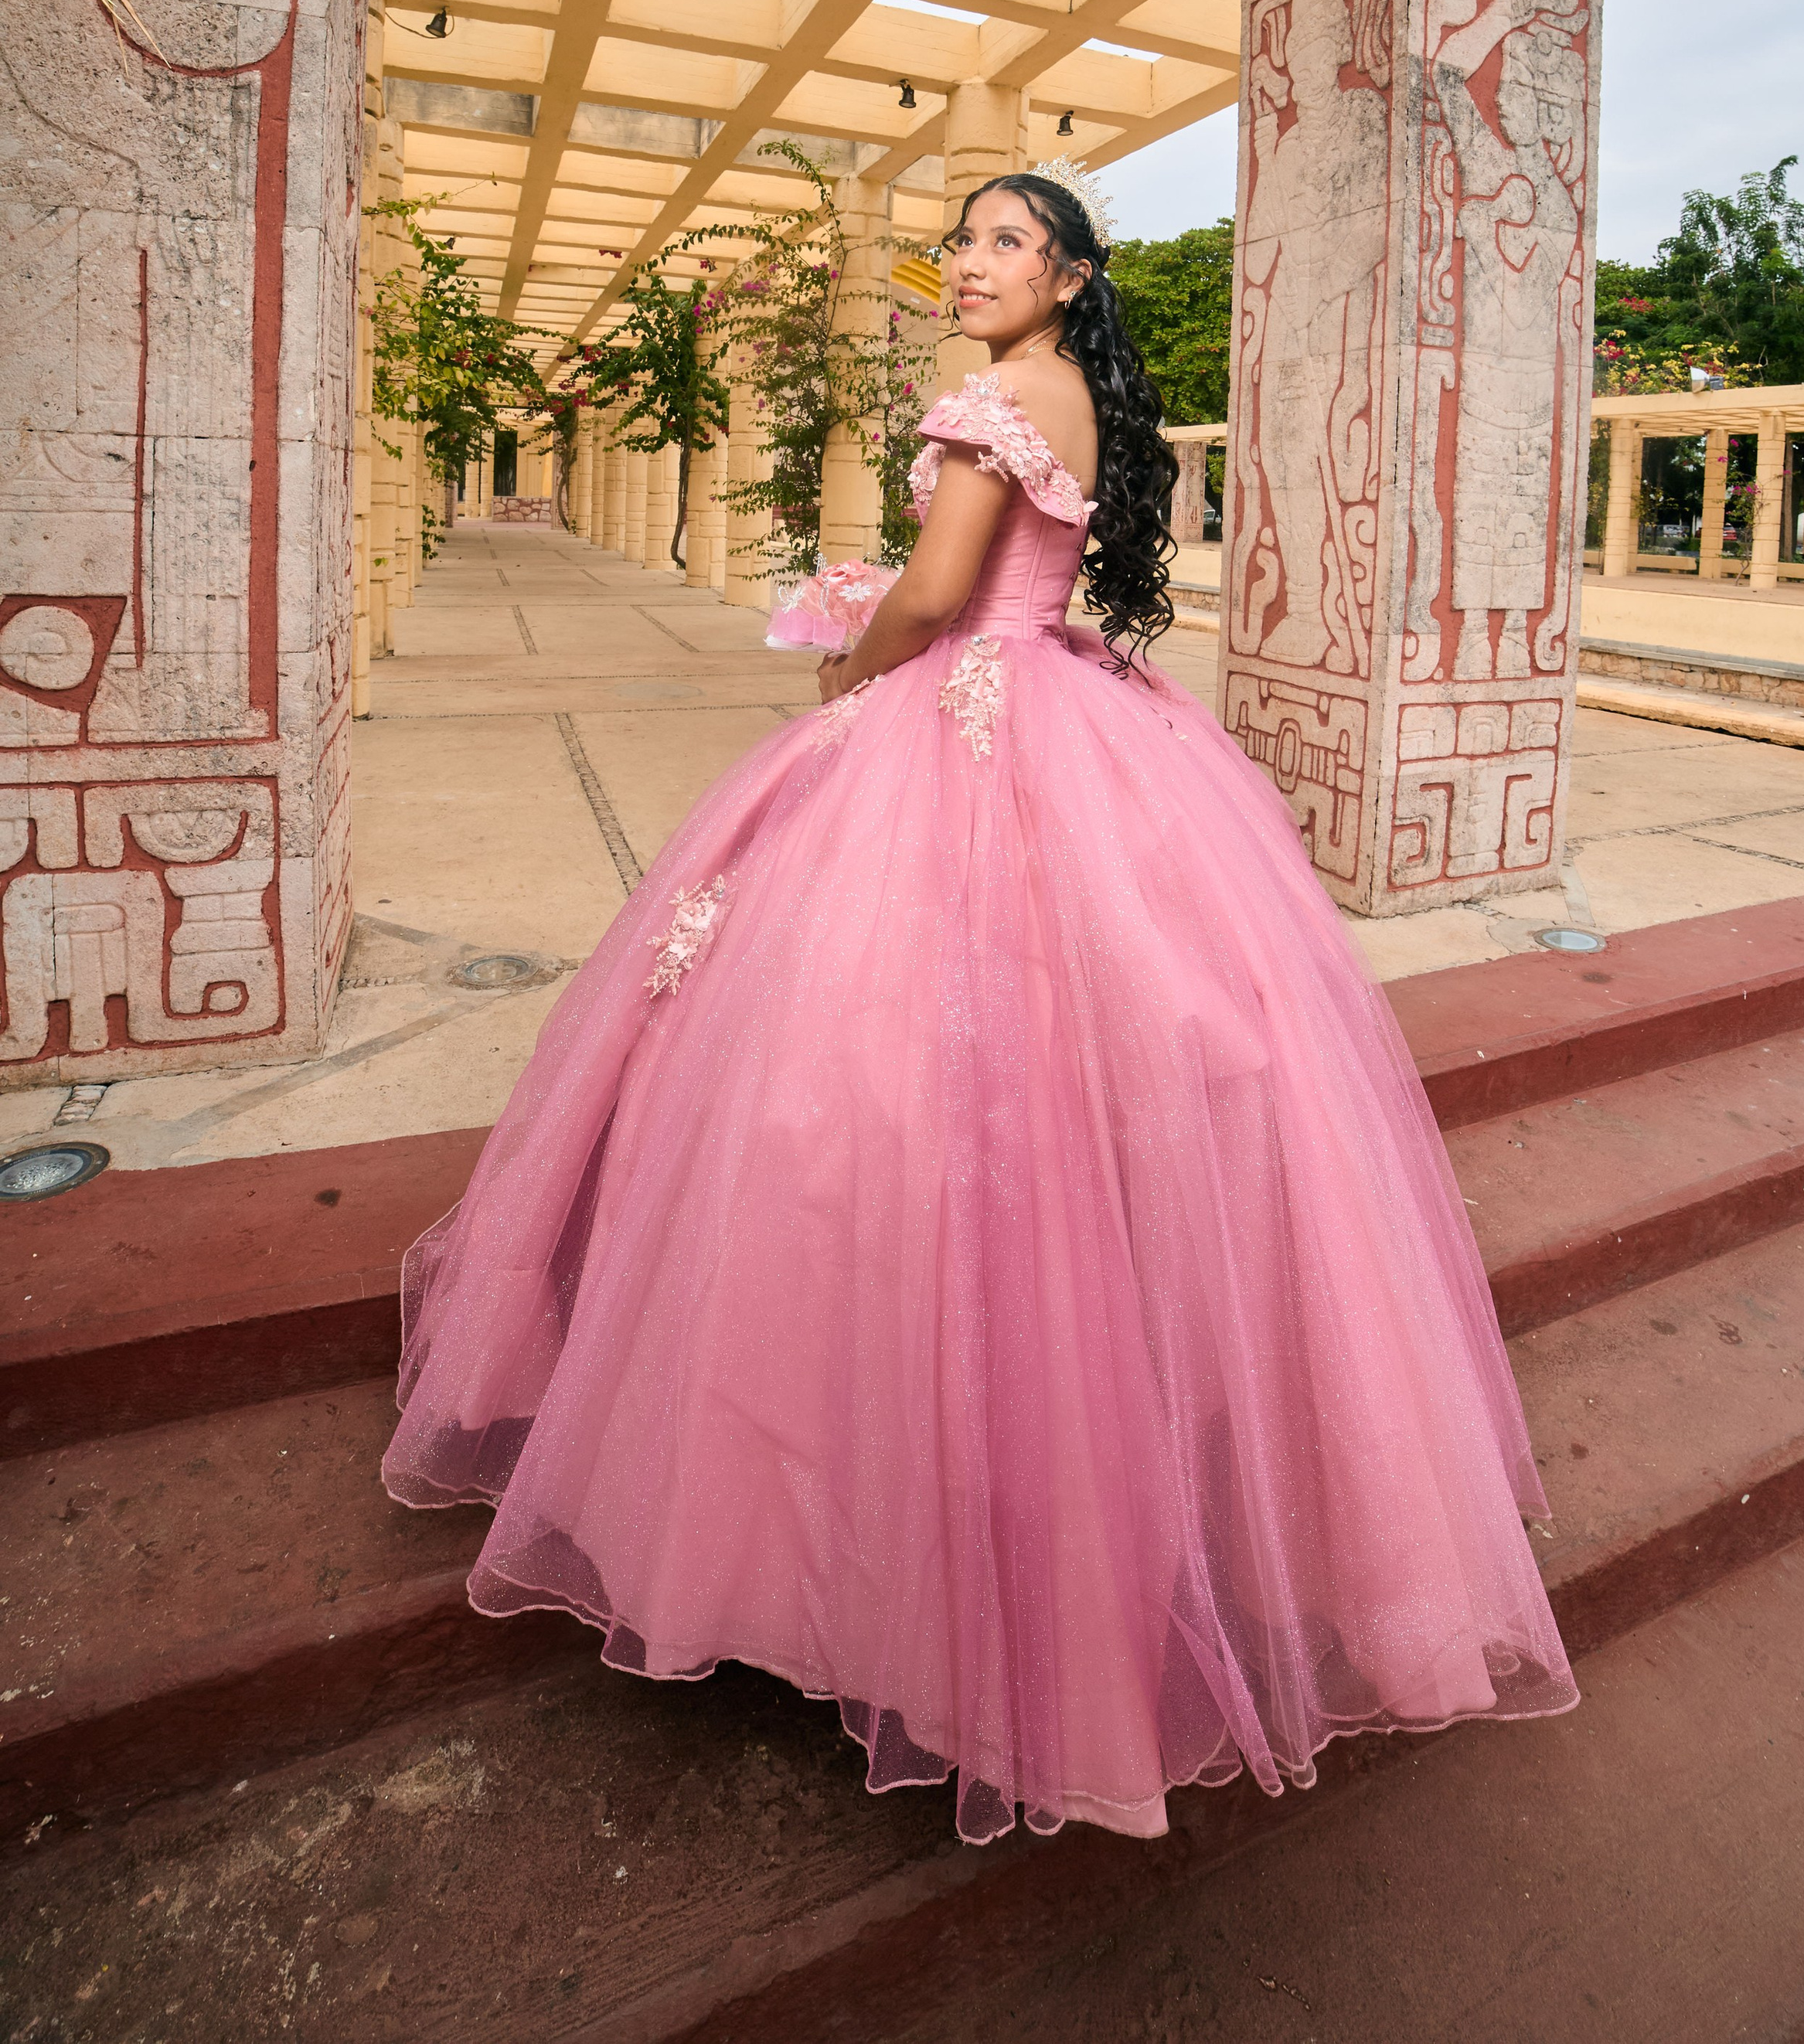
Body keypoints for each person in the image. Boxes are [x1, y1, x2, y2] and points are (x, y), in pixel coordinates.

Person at [383, 165, 1576, 1845]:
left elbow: (939, 597)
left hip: (964, 713)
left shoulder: (999, 390)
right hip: (1076, 710)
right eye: (957, 240)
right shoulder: (1083, 399)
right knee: (1052, 1083)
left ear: (1071, 273)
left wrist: (840, 662)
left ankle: (832, 1543)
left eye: (1004, 241)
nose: (965, 263)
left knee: (851, 1079)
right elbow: (1018, 580)